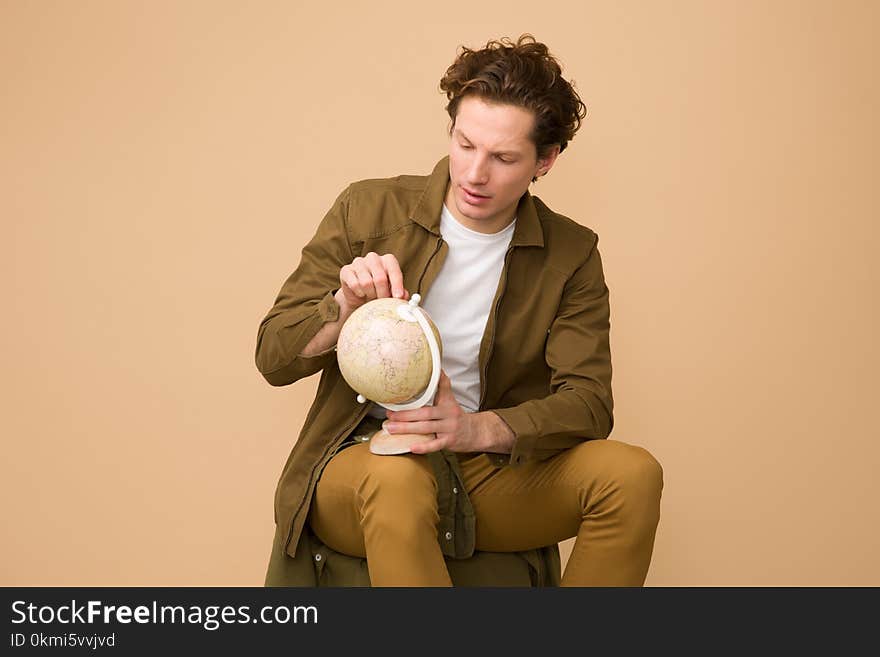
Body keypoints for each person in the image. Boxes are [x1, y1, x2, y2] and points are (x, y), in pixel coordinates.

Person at [255, 34, 663, 587]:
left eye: (503, 158)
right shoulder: (367, 208)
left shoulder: (572, 253)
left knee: (632, 475)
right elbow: (273, 357)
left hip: (482, 467)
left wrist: (476, 431)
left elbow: (589, 404)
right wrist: (342, 306)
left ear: (546, 160)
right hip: (363, 461)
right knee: (398, 484)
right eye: (465, 144)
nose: (475, 174)